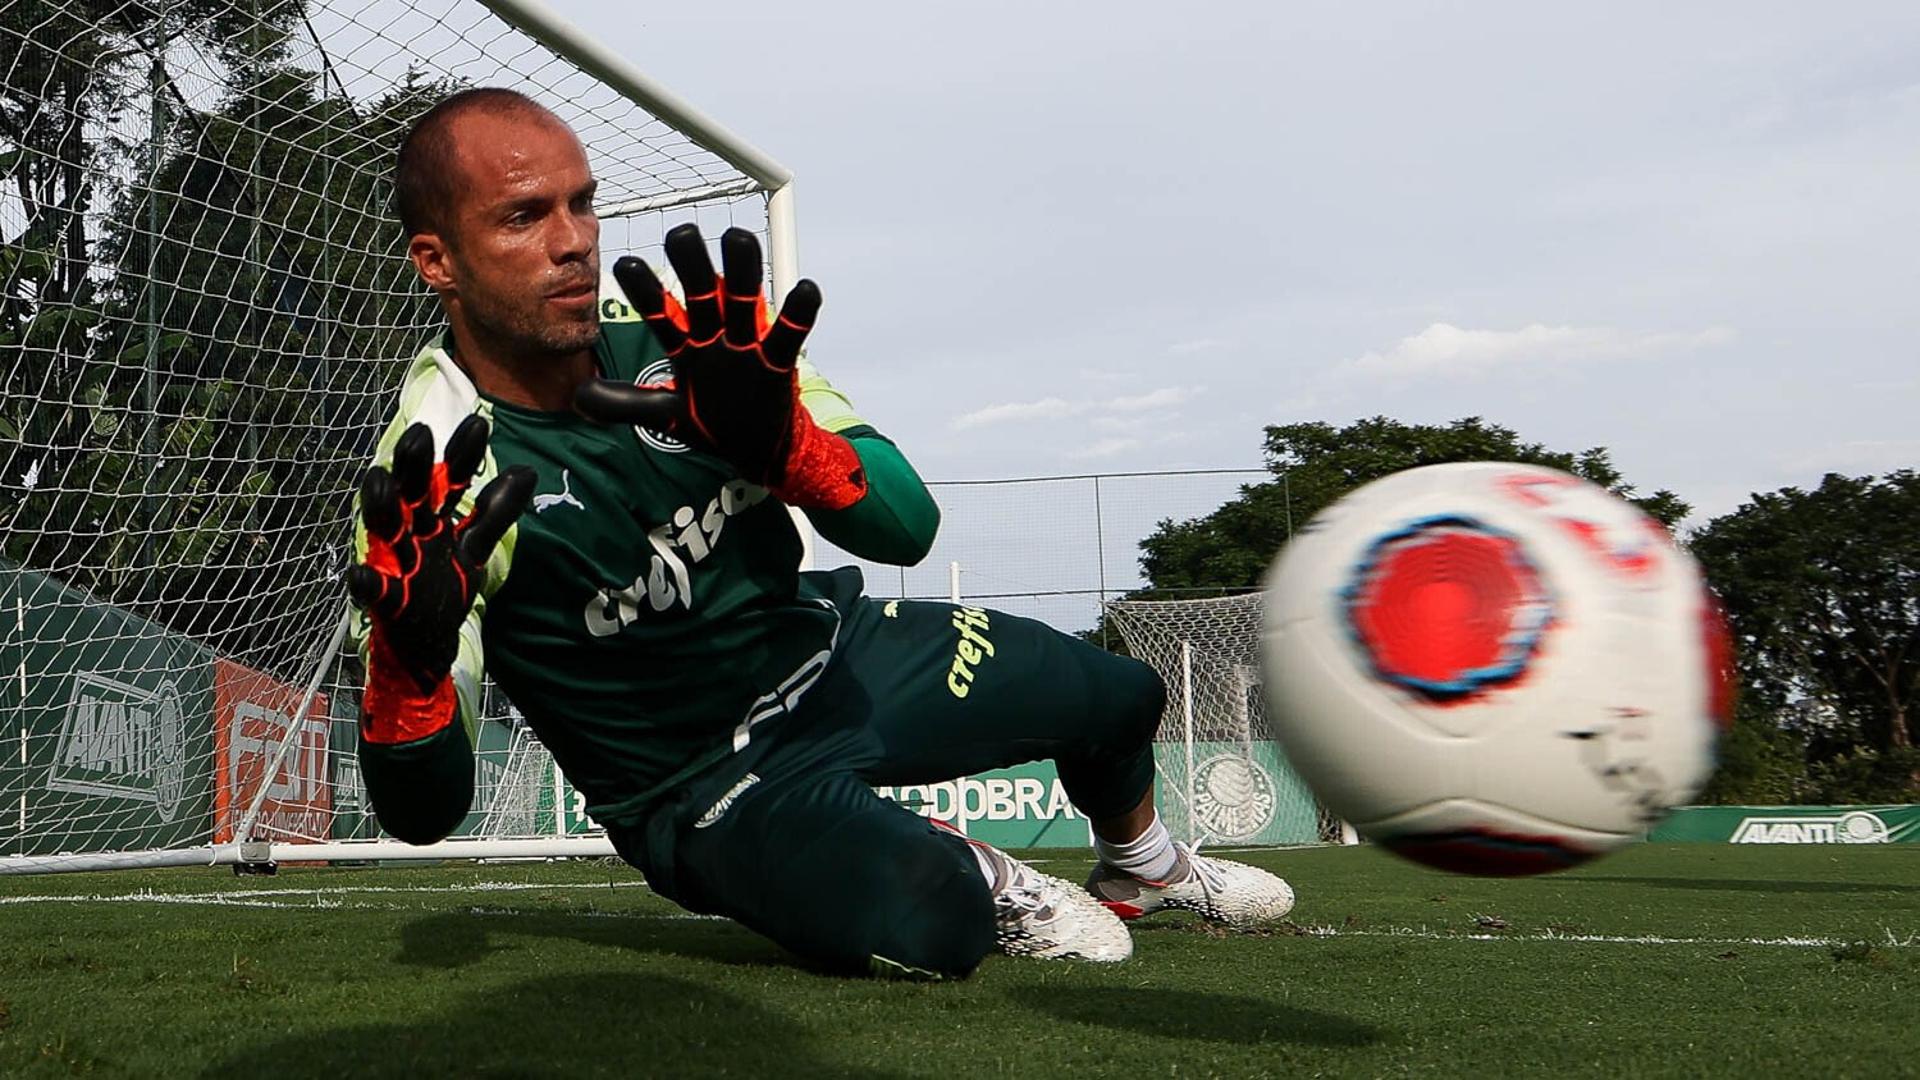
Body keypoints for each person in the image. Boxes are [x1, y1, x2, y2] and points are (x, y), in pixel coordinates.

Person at [346, 86, 1294, 978]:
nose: (574, 244)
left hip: (836, 658)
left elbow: (907, 526)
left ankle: (1144, 866)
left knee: (1119, 695)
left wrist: (788, 446)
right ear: (438, 261)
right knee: (938, 921)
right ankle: (955, 868)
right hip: (703, 785)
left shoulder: (699, 344)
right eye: (524, 217)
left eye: (583, 204)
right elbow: (423, 815)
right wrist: (411, 676)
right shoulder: (436, 469)